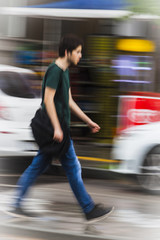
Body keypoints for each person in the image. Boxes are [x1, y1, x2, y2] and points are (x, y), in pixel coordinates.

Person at [7, 34, 114, 223]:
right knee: (72, 168)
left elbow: (69, 101)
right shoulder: (55, 70)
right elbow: (47, 101)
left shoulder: (64, 71)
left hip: (60, 129)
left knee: (41, 166)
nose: (80, 55)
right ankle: (88, 209)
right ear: (67, 52)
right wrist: (57, 128)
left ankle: (16, 203)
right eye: (78, 52)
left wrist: (88, 121)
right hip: (54, 130)